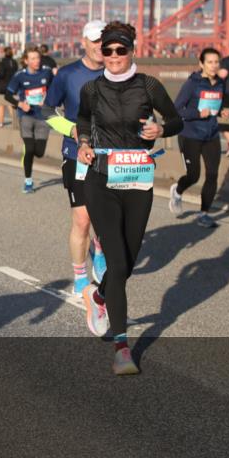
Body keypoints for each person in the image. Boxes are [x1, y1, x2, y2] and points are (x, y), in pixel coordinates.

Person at [76, 21, 182, 375]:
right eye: (108, 50)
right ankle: (122, 348)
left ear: (131, 50)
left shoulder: (149, 85)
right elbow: (82, 120)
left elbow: (177, 119)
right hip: (101, 180)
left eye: (121, 50)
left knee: (130, 262)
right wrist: (83, 145)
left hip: (138, 180)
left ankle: (99, 295)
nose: (114, 57)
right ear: (101, 52)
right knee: (117, 263)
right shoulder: (91, 88)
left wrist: (161, 129)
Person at [41, 20, 107, 297]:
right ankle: (80, 275)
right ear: (84, 42)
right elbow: (46, 111)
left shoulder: (119, 73)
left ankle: (100, 249)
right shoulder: (68, 74)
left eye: (104, 41)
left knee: (104, 217)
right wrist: (71, 129)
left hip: (109, 155)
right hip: (75, 153)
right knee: (82, 219)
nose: (100, 47)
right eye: (94, 41)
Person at [169, 48, 225, 228]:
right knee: (194, 176)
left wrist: (222, 110)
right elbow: (177, 109)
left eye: (216, 62)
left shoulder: (220, 84)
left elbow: (218, 104)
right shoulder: (192, 84)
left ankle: (204, 214)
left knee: (212, 174)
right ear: (201, 64)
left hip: (212, 134)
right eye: (210, 62)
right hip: (190, 134)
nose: (214, 66)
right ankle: (177, 191)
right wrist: (198, 113)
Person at [6, 46, 54, 194]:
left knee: (39, 152)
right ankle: (28, 181)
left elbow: (55, 89)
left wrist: (47, 99)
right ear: (26, 60)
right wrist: (21, 104)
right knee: (30, 147)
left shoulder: (47, 72)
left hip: (42, 116)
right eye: (33, 58)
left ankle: (28, 153)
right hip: (26, 115)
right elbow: (7, 95)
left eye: (38, 58)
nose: (36, 61)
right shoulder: (20, 76)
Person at [0, 46, 18, 127]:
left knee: (1, 105)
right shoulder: (14, 63)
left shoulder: (2, 62)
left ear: (4, 53)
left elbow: (2, 75)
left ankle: (0, 123)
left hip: (2, 86)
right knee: (10, 104)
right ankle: (15, 122)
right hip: (11, 86)